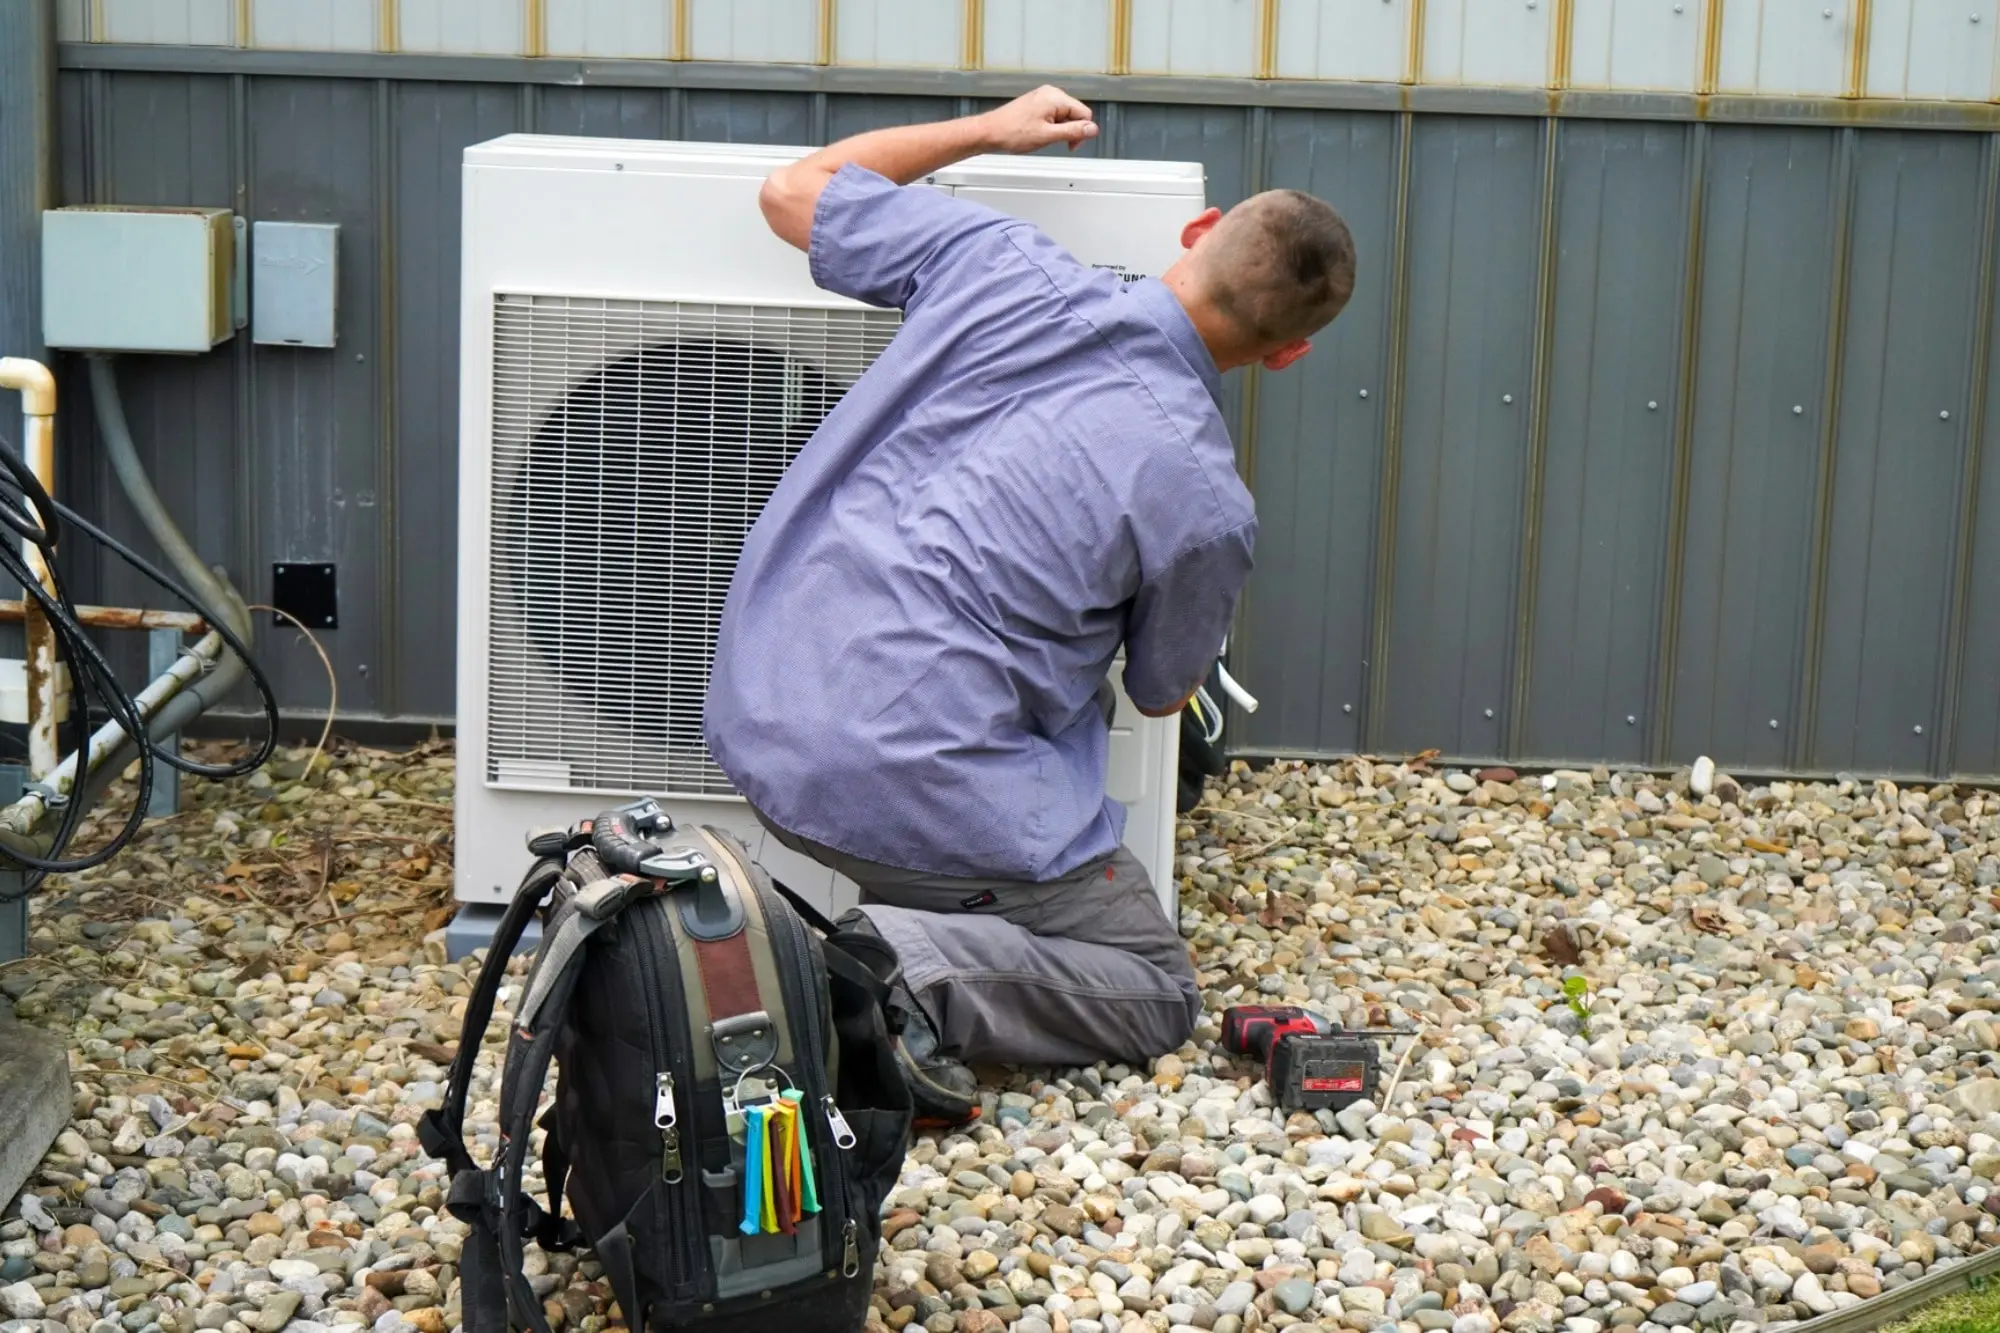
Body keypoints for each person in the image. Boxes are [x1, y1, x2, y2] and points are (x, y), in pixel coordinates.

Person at [704, 86, 1356, 1126]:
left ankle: (835, 947)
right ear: (1288, 354)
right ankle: (870, 968)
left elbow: (793, 190)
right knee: (1151, 984)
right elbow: (1158, 693)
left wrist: (986, 131)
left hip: (758, 718)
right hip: (909, 788)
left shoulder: (996, 263)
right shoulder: (1204, 503)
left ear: (1194, 234)